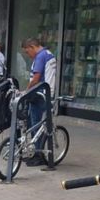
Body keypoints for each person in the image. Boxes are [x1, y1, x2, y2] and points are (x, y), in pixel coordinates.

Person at [21, 37, 57, 167]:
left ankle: (39, 155)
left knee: (35, 124)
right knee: (36, 123)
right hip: (46, 93)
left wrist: (26, 91)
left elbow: (36, 78)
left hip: (40, 94)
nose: (28, 55)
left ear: (32, 46)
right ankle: (37, 152)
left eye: (27, 51)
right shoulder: (48, 54)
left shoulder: (41, 56)